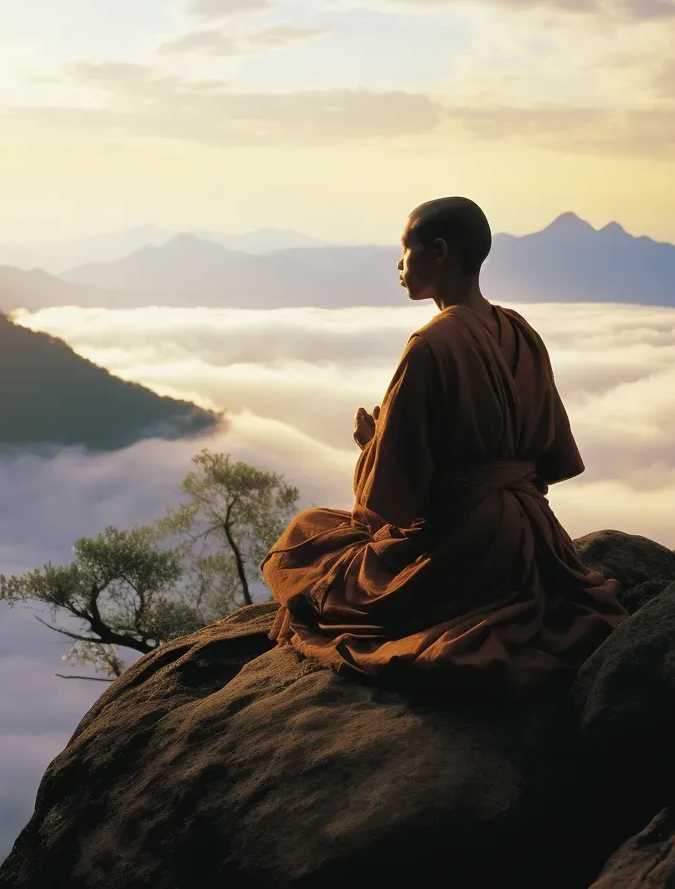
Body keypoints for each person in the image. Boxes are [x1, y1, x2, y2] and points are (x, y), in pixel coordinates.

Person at [260, 196, 628, 697]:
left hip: (462, 545)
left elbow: (393, 504)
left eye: (405, 249)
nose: (398, 263)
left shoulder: (429, 346)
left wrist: (370, 446)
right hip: (530, 537)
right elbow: (550, 453)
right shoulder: (521, 331)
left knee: (307, 537)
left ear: (438, 252)